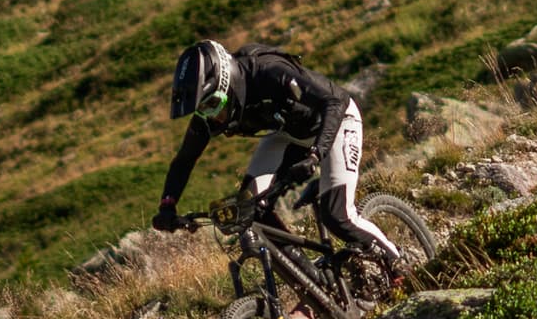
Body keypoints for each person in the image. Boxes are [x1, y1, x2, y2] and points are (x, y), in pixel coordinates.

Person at [154, 39, 406, 263]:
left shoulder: (269, 73)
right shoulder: (208, 112)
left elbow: (335, 101)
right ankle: (311, 286)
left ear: (227, 83)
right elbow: (184, 160)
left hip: (337, 122)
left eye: (212, 105)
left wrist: (315, 155)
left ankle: (400, 264)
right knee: (251, 209)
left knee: (338, 216)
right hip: (288, 134)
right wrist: (168, 206)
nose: (211, 116)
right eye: (203, 110)